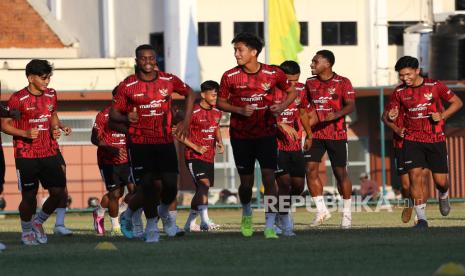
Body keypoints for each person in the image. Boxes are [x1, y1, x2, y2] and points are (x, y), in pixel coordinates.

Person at [110, 44, 195, 243]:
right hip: (140, 143)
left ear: (155, 60)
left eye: (151, 58)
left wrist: (186, 120)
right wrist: (126, 116)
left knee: (171, 186)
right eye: (143, 59)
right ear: (137, 61)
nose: (148, 62)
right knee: (148, 187)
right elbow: (114, 113)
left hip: (164, 141)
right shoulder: (128, 85)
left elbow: (190, 93)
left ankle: (161, 211)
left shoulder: (168, 80)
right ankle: (151, 228)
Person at [217, 32, 297, 239]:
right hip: (241, 135)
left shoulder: (273, 73)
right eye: (235, 50)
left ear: (254, 52)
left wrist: (282, 106)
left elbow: (292, 92)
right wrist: (238, 110)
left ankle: (270, 224)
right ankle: (246, 212)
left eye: (240, 50)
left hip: (267, 133)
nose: (236, 54)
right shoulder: (229, 76)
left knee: (271, 179)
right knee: (246, 184)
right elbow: (220, 102)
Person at [387, 56, 462, 228]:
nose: (405, 78)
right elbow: (391, 113)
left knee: (440, 182)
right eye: (401, 76)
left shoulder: (435, 86)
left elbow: (457, 103)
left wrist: (442, 115)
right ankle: (422, 219)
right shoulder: (399, 92)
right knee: (415, 177)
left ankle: (443, 195)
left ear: (417, 71)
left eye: (408, 75)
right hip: (412, 139)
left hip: (435, 139)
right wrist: (392, 115)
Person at [1, 59, 67, 245]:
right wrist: (25, 133)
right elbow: (4, 125)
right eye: (43, 77)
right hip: (26, 154)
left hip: (49, 150)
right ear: (31, 78)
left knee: (59, 191)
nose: (47, 81)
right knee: (29, 196)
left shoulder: (52, 94)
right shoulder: (17, 99)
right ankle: (26, 231)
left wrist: (55, 128)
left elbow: (52, 114)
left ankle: (38, 222)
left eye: (48, 77)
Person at [303, 50, 356, 229]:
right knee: (310, 169)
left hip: (337, 134)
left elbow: (350, 106)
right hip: (316, 134)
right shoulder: (309, 83)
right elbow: (306, 108)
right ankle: (321, 210)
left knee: (340, 173)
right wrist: (307, 129)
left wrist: (335, 115)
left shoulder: (343, 82)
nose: (311, 64)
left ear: (327, 64)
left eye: (315, 61)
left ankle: (347, 214)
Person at [274, 60, 314, 236]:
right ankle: (284, 220)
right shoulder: (271, 90)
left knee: (298, 186)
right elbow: (263, 116)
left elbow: (303, 112)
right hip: (275, 145)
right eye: (289, 81)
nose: (292, 84)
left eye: (295, 80)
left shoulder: (301, 90)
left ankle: (279, 212)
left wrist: (309, 134)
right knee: (284, 184)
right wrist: (281, 124)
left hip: (295, 145)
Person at [178, 80, 224, 232]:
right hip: (193, 156)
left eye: (217, 95)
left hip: (209, 157)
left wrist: (220, 141)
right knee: (204, 184)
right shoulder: (192, 112)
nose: (215, 98)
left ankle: (189, 224)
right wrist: (196, 147)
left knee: (202, 190)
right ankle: (205, 221)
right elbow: (178, 134)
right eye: (213, 95)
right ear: (203, 95)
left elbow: (216, 126)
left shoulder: (218, 111)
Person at [91, 87, 136, 236]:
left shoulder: (131, 115)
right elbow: (94, 139)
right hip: (108, 160)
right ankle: (115, 227)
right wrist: (111, 149)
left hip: (128, 159)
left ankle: (119, 210)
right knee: (115, 193)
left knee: (136, 191)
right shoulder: (104, 115)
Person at [382, 92, 431, 223]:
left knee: (422, 179)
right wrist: (396, 128)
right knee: (405, 185)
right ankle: (409, 203)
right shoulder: (395, 98)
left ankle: (420, 214)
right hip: (401, 145)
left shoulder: (426, 97)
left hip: (422, 143)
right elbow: (384, 117)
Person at [51, 122, 73, 235]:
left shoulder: (49, 104)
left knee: (62, 187)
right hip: (28, 151)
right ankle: (29, 227)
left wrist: (62, 127)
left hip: (52, 148)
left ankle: (59, 224)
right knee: (30, 191)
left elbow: (54, 117)